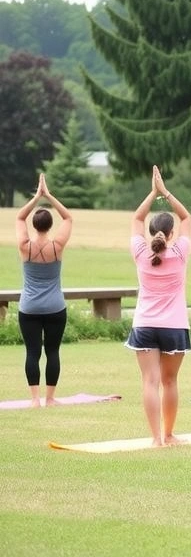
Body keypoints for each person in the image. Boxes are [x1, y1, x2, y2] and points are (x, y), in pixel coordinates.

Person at [125, 166, 191, 446]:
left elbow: (137, 218)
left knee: (149, 382)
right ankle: (169, 435)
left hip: (145, 326)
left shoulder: (141, 252)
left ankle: (156, 439)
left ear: (152, 233)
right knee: (170, 381)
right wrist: (165, 192)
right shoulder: (179, 252)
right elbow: (186, 216)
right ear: (171, 233)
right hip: (174, 327)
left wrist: (153, 193)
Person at [15, 174, 73, 407]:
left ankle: (35, 399)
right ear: (50, 226)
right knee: (52, 352)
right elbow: (68, 217)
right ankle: (50, 399)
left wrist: (36, 197)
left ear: (34, 225)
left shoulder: (25, 247)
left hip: (29, 308)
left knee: (32, 353)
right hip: (55, 308)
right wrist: (48, 196)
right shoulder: (57, 247)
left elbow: (20, 217)